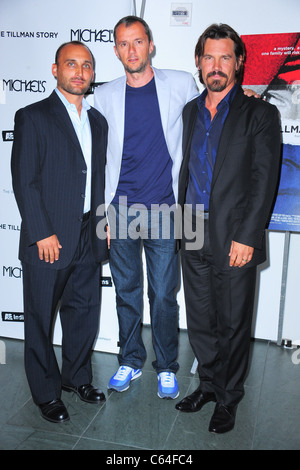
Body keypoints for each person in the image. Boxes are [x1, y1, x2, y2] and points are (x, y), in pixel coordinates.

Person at [175, 24, 281, 433]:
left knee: (234, 321)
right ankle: (207, 384)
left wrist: (248, 237)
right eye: (208, 57)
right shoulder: (189, 111)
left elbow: (264, 179)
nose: (215, 66)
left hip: (234, 234)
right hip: (192, 228)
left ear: (239, 62)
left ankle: (228, 397)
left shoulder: (260, 112)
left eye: (224, 57)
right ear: (199, 63)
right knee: (201, 318)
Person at [94, 15, 199, 399]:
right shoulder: (104, 95)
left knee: (164, 294)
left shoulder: (183, 84)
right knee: (126, 290)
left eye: (137, 42)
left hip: (165, 210)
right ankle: (130, 359)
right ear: (117, 50)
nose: (131, 50)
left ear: (150, 44)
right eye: (123, 44)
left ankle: (167, 366)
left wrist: (248, 97)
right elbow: (99, 159)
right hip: (119, 211)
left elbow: (213, 112)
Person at [11, 41, 108, 423]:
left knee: (84, 311)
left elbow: (96, 180)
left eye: (86, 66)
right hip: (48, 236)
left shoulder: (98, 122)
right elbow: (25, 180)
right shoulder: (33, 116)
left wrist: (102, 227)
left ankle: (77, 378)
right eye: (71, 64)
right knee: (39, 317)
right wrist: (41, 232)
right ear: (55, 70)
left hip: (87, 232)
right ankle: (47, 393)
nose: (79, 72)